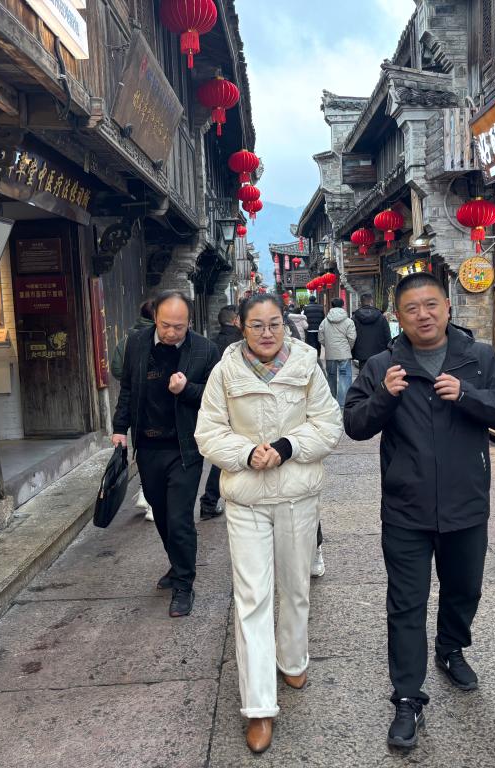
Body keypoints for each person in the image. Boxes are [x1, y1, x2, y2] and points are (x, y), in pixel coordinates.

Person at [343, 272, 495, 750]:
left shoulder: (477, 358)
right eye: (412, 308)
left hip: (467, 503)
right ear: (398, 317)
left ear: (447, 308)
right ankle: (407, 698)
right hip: (406, 508)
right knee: (406, 603)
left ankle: (451, 648)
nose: (423, 315)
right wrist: (384, 396)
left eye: (431, 305)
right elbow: (355, 424)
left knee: (464, 589)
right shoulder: (384, 365)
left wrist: (468, 396)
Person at [195, 294, 342, 754]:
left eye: (274, 323)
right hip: (247, 499)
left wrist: (286, 446)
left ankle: (293, 658)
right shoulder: (225, 372)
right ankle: (259, 706)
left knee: (295, 587)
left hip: (297, 494)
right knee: (252, 598)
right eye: (256, 324)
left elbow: (328, 424)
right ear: (241, 327)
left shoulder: (306, 364)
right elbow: (208, 431)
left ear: (285, 325)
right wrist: (245, 453)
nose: (266, 332)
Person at [112, 291, 221, 618]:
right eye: (165, 325)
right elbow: (127, 388)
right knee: (160, 514)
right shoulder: (137, 343)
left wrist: (185, 389)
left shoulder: (205, 350)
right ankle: (176, 565)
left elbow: (216, 397)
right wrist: (120, 428)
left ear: (189, 322)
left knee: (179, 518)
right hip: (148, 446)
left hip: (184, 448)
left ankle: (184, 585)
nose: (172, 332)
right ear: (154, 318)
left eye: (179, 326)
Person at [110, 300, 157, 521]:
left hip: (135, 404)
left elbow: (116, 368)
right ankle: (150, 500)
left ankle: (145, 494)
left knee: (144, 449)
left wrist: (131, 377)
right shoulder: (158, 338)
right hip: (155, 402)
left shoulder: (127, 339)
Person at [200, 305, 242, 521]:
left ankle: (209, 501)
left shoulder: (211, 344)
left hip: (221, 404)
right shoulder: (242, 343)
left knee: (224, 453)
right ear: (236, 320)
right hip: (241, 403)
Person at [318, 297, 356, 409]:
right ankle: (343, 403)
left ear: (332, 306)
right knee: (345, 377)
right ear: (343, 306)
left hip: (330, 354)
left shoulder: (325, 321)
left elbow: (321, 337)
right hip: (344, 354)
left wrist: (328, 346)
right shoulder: (348, 321)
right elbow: (352, 337)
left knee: (331, 376)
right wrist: (348, 348)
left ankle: (332, 400)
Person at [352, 293, 392, 370]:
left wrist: (353, 352)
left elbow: (351, 336)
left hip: (361, 353)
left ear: (361, 302)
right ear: (372, 301)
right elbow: (387, 335)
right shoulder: (381, 317)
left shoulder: (355, 318)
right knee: (377, 374)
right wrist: (389, 350)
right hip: (379, 352)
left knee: (363, 374)